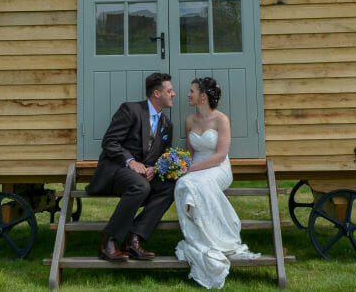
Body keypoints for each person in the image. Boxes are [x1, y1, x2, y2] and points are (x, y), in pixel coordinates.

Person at [174, 77, 260, 288]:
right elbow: (190, 154)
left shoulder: (221, 120)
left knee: (196, 183)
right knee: (183, 184)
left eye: (192, 91)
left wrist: (191, 170)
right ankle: (200, 234)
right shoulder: (189, 121)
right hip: (196, 167)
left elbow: (221, 155)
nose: (188, 94)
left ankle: (221, 236)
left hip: (217, 168)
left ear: (203, 96)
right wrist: (181, 167)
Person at [86, 72, 177, 262]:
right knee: (140, 186)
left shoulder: (167, 124)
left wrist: (155, 169)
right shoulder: (130, 110)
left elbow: (162, 155)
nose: (174, 94)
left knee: (170, 186)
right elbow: (110, 142)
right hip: (115, 170)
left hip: (143, 175)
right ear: (156, 94)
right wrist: (130, 162)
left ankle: (133, 238)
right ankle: (107, 242)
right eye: (170, 90)